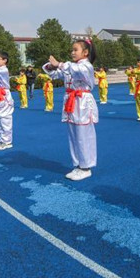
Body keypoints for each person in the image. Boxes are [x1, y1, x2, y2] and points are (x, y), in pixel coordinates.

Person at [44, 40, 99, 181]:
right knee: (73, 135)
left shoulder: (86, 66)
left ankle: (86, 167)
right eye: (72, 50)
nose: (72, 52)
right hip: (72, 102)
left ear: (85, 52)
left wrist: (60, 64)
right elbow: (56, 74)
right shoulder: (72, 67)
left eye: (76, 50)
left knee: (83, 135)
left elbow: (76, 70)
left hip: (82, 102)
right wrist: (51, 67)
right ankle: (78, 164)